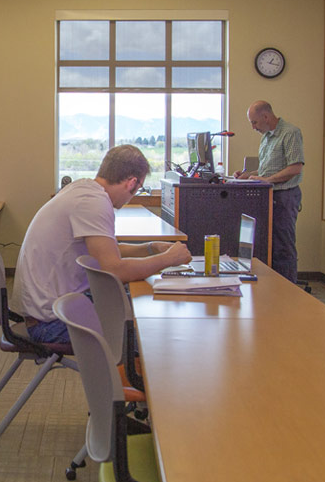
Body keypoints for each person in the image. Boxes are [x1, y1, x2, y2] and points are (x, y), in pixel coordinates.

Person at [12, 145, 192, 343]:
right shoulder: (93, 202)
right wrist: (168, 259)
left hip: (48, 309)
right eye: (137, 189)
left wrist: (150, 247)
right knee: (146, 334)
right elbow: (114, 270)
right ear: (132, 183)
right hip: (52, 322)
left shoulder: (84, 190)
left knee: (135, 305)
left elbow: (107, 252)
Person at [233, 100, 304, 284]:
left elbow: (295, 168)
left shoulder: (290, 133)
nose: (253, 127)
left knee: (283, 247)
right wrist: (249, 175)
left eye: (254, 122)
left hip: (284, 196)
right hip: (269, 196)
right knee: (269, 245)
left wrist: (266, 180)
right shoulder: (266, 137)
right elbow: (267, 170)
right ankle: (273, 289)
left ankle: (289, 291)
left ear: (266, 116)